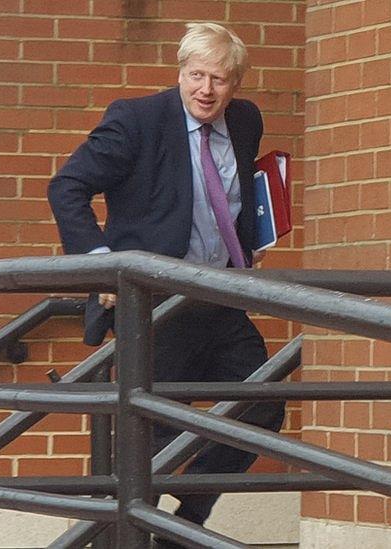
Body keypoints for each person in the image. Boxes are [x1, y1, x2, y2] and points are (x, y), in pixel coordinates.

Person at [48, 22, 285, 537]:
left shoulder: (245, 121)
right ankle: (128, 537)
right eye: (196, 75)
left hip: (220, 294)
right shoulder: (137, 119)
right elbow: (67, 187)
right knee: (154, 429)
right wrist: (101, 264)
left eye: (219, 79)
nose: (206, 90)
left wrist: (248, 242)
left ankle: (183, 523)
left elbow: (234, 192)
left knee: (262, 405)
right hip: (155, 301)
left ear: (236, 84)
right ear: (180, 72)